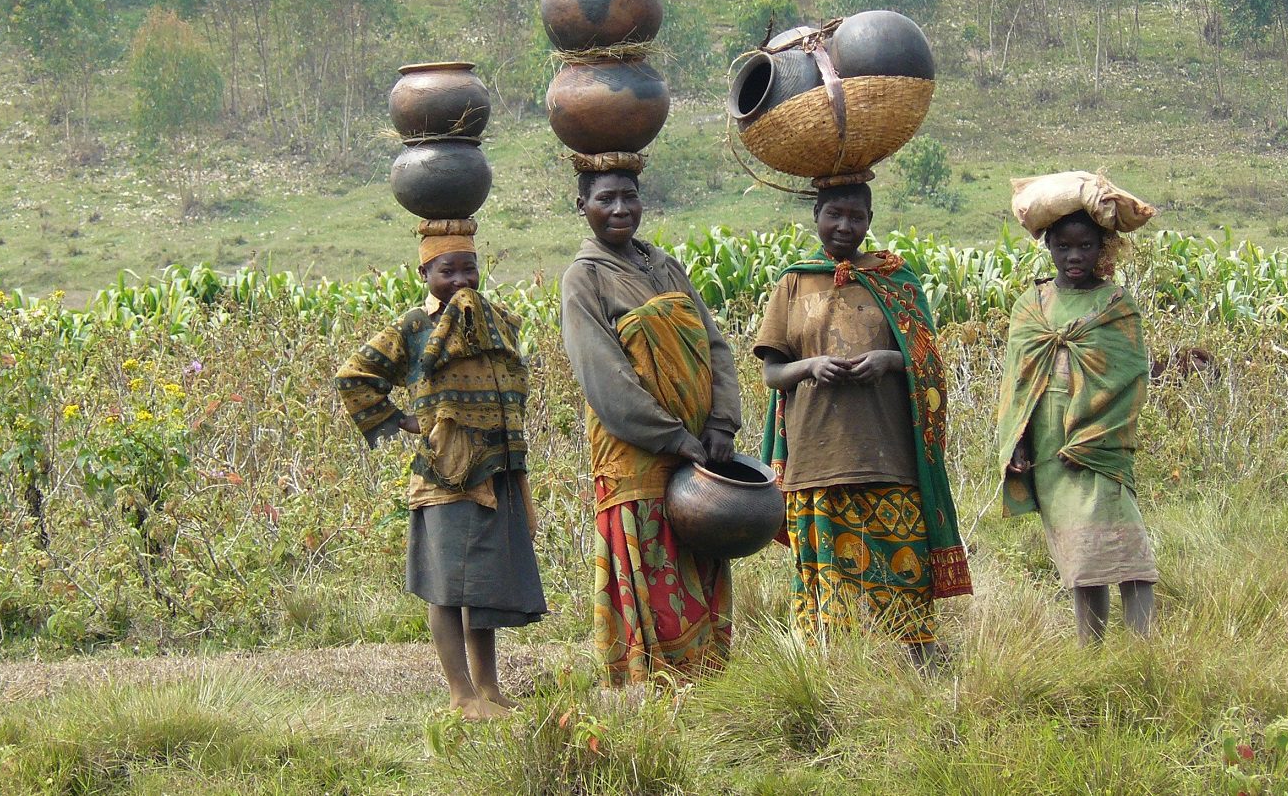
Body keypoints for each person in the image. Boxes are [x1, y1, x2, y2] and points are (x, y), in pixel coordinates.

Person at [754, 181, 972, 665]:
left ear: (870, 219)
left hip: (887, 455)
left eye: (857, 216)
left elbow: (929, 363)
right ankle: (831, 680)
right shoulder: (794, 282)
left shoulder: (897, 281)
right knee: (826, 583)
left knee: (905, 570)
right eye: (835, 214)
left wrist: (891, 360)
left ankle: (924, 669)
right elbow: (772, 372)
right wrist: (810, 367)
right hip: (817, 458)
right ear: (816, 214)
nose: (845, 226)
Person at [336, 219, 544, 719]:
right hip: (446, 473)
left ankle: (489, 691)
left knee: (484, 585)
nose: (459, 280)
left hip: (500, 470)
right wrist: (404, 421)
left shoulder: (497, 321)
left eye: (468, 268)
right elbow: (354, 376)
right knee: (448, 586)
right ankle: (460, 694)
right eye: (446, 270)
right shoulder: (413, 326)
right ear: (425, 270)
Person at [559, 165, 741, 685]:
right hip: (637, 454)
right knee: (652, 562)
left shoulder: (667, 268)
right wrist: (672, 437)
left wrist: (721, 426)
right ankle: (657, 683)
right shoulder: (584, 278)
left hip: (701, 453)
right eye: (605, 200)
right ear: (582, 206)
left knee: (699, 556)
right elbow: (604, 377)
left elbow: (716, 348)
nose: (620, 210)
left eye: (630, 197)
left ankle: (708, 682)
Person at [997, 204, 1157, 644]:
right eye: (1063, 245)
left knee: (1127, 547)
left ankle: (1146, 653)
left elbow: (1129, 376)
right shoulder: (1032, 305)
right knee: (1080, 557)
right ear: (1047, 245)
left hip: (1099, 442)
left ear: (1102, 247)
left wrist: (1092, 429)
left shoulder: (1116, 305)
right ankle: (1091, 653)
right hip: (1049, 445)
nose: (1074, 256)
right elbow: (1016, 382)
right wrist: (1017, 443)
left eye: (1085, 245)